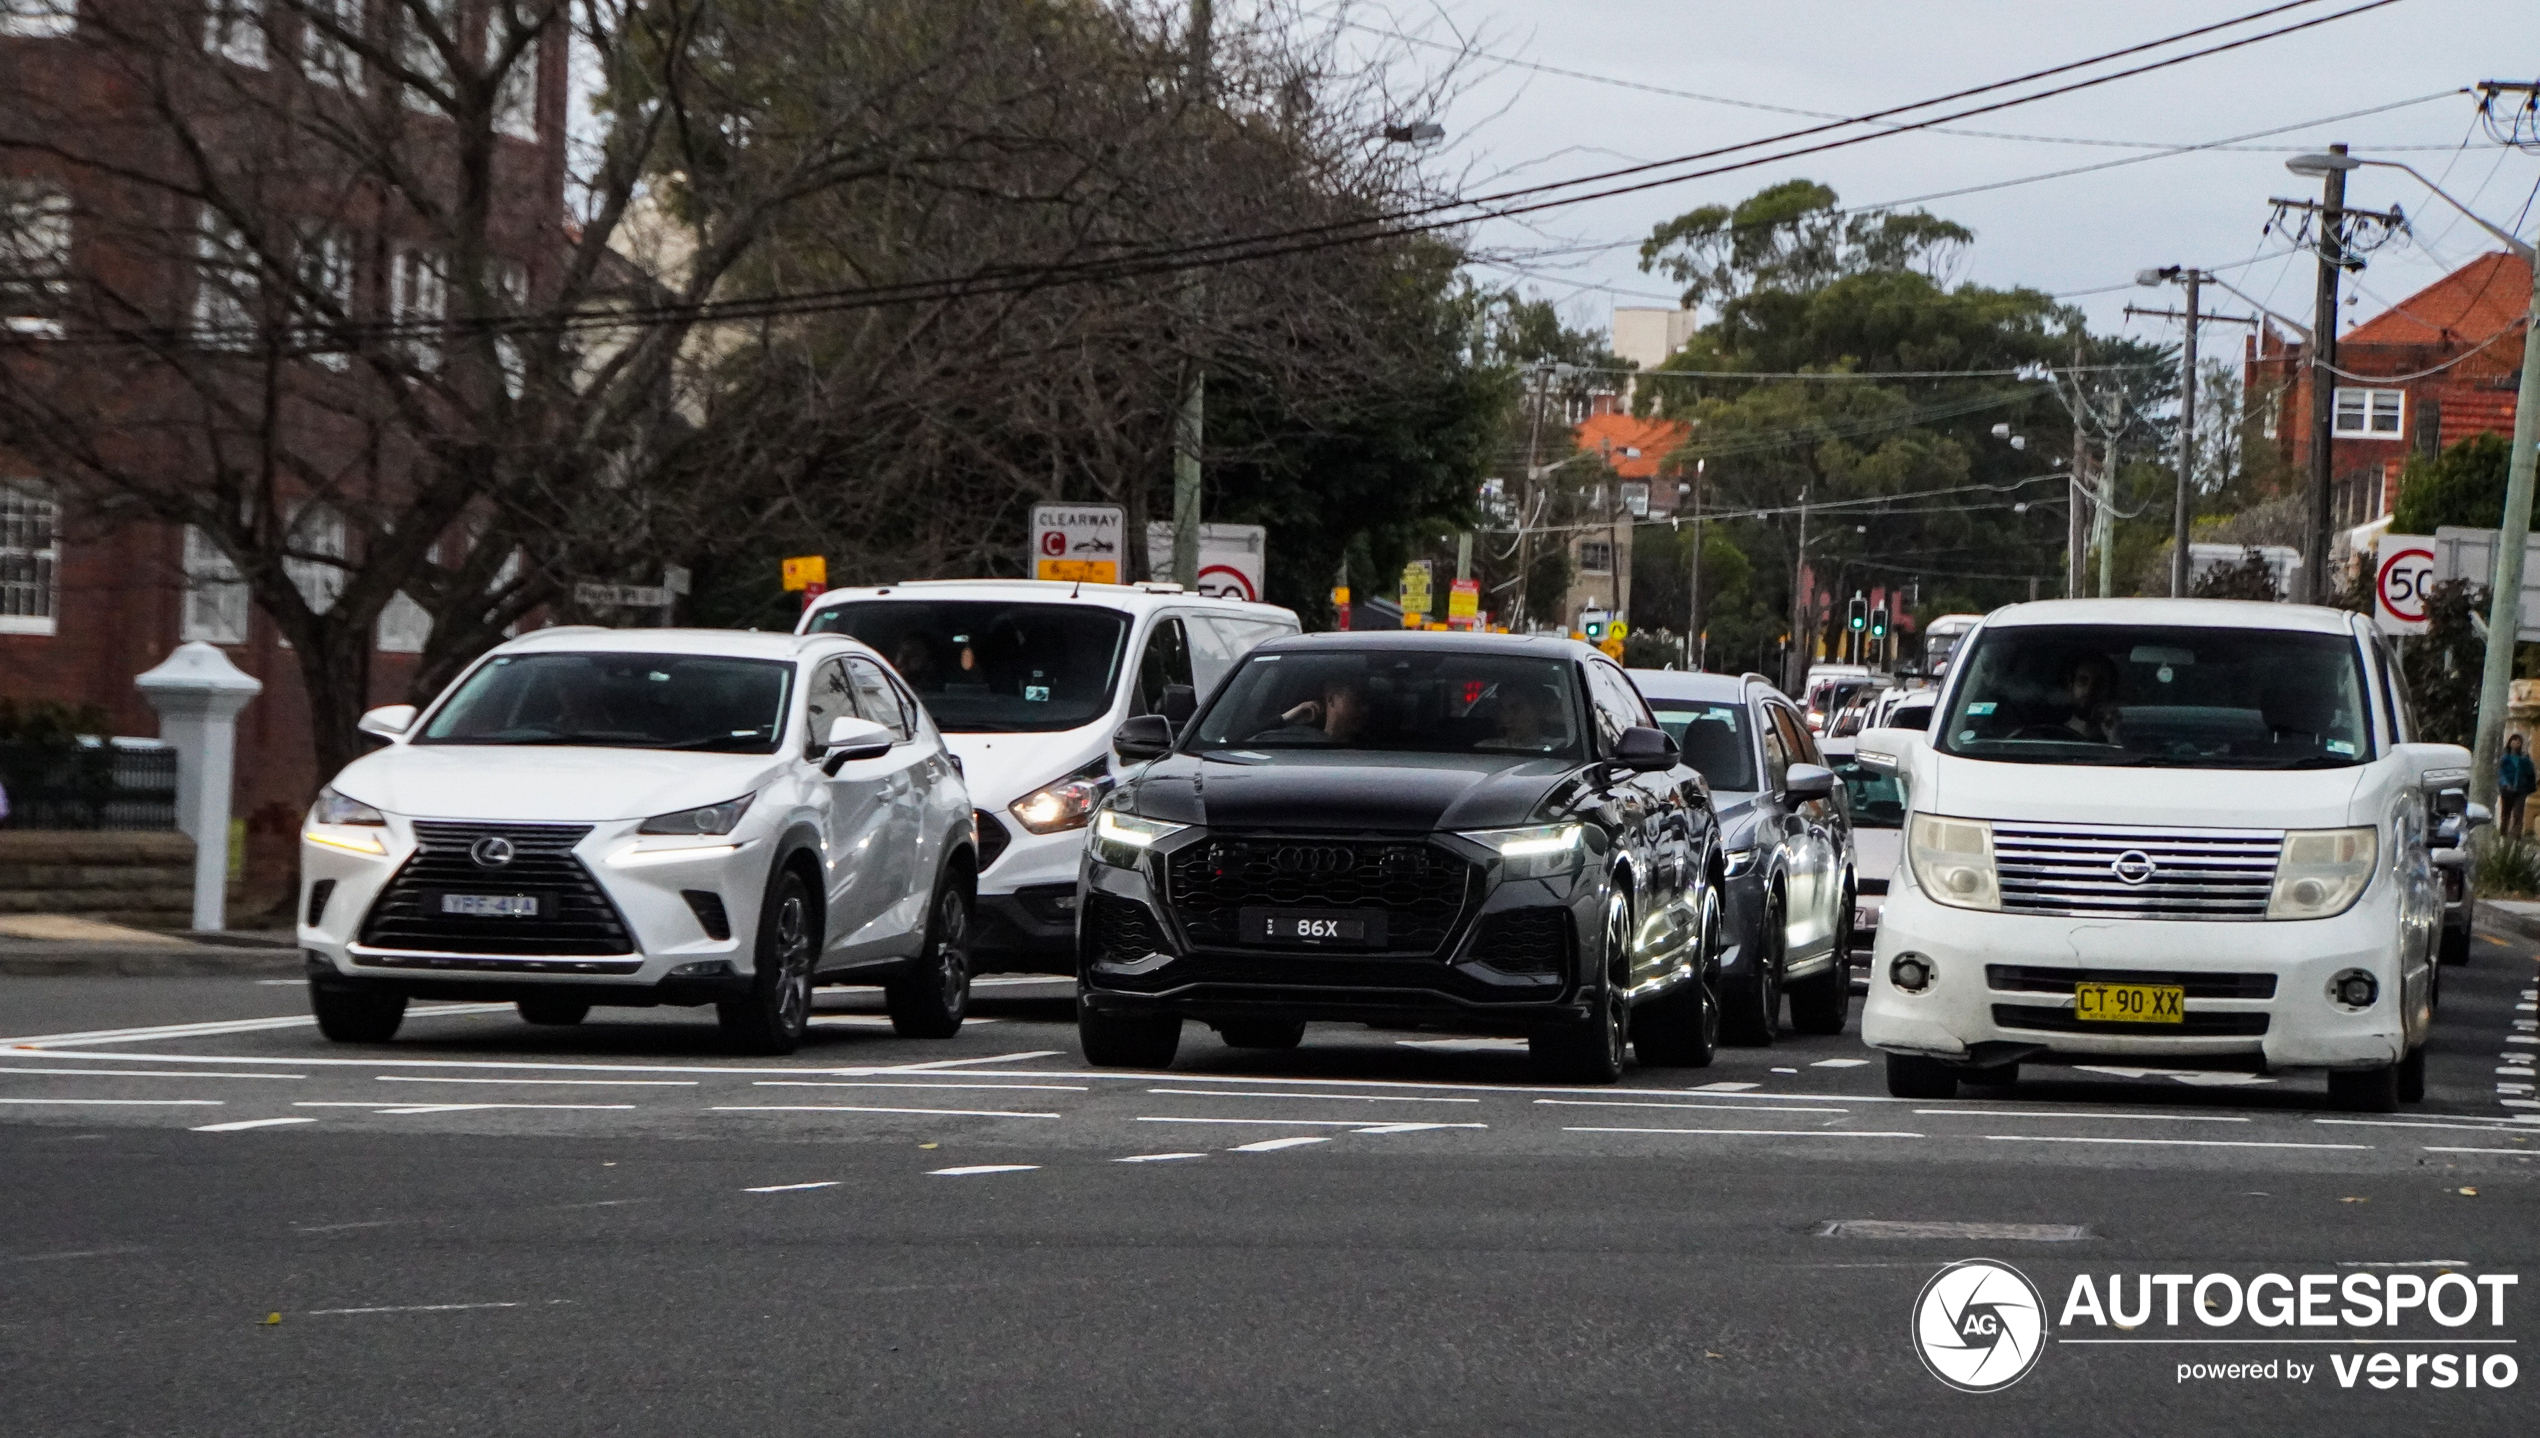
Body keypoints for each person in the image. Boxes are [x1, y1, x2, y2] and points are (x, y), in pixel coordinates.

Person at [2062, 654, 2121, 744]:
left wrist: (2113, 737)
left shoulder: (2117, 736)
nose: (2089, 690)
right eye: (2082, 681)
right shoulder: (2046, 736)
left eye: (2100, 684)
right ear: (2071, 686)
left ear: (2110, 691)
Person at [2502, 733, 2536, 838]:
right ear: (2510, 743)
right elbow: (2501, 773)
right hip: (2507, 790)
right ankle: (2503, 833)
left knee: (2518, 813)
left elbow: (2530, 773)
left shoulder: (2524, 759)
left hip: (2521, 790)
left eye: (2518, 741)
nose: (2516, 743)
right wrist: (2505, 784)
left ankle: (2515, 836)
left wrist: (2529, 787)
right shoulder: (2505, 758)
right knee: (2505, 813)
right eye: (2514, 740)